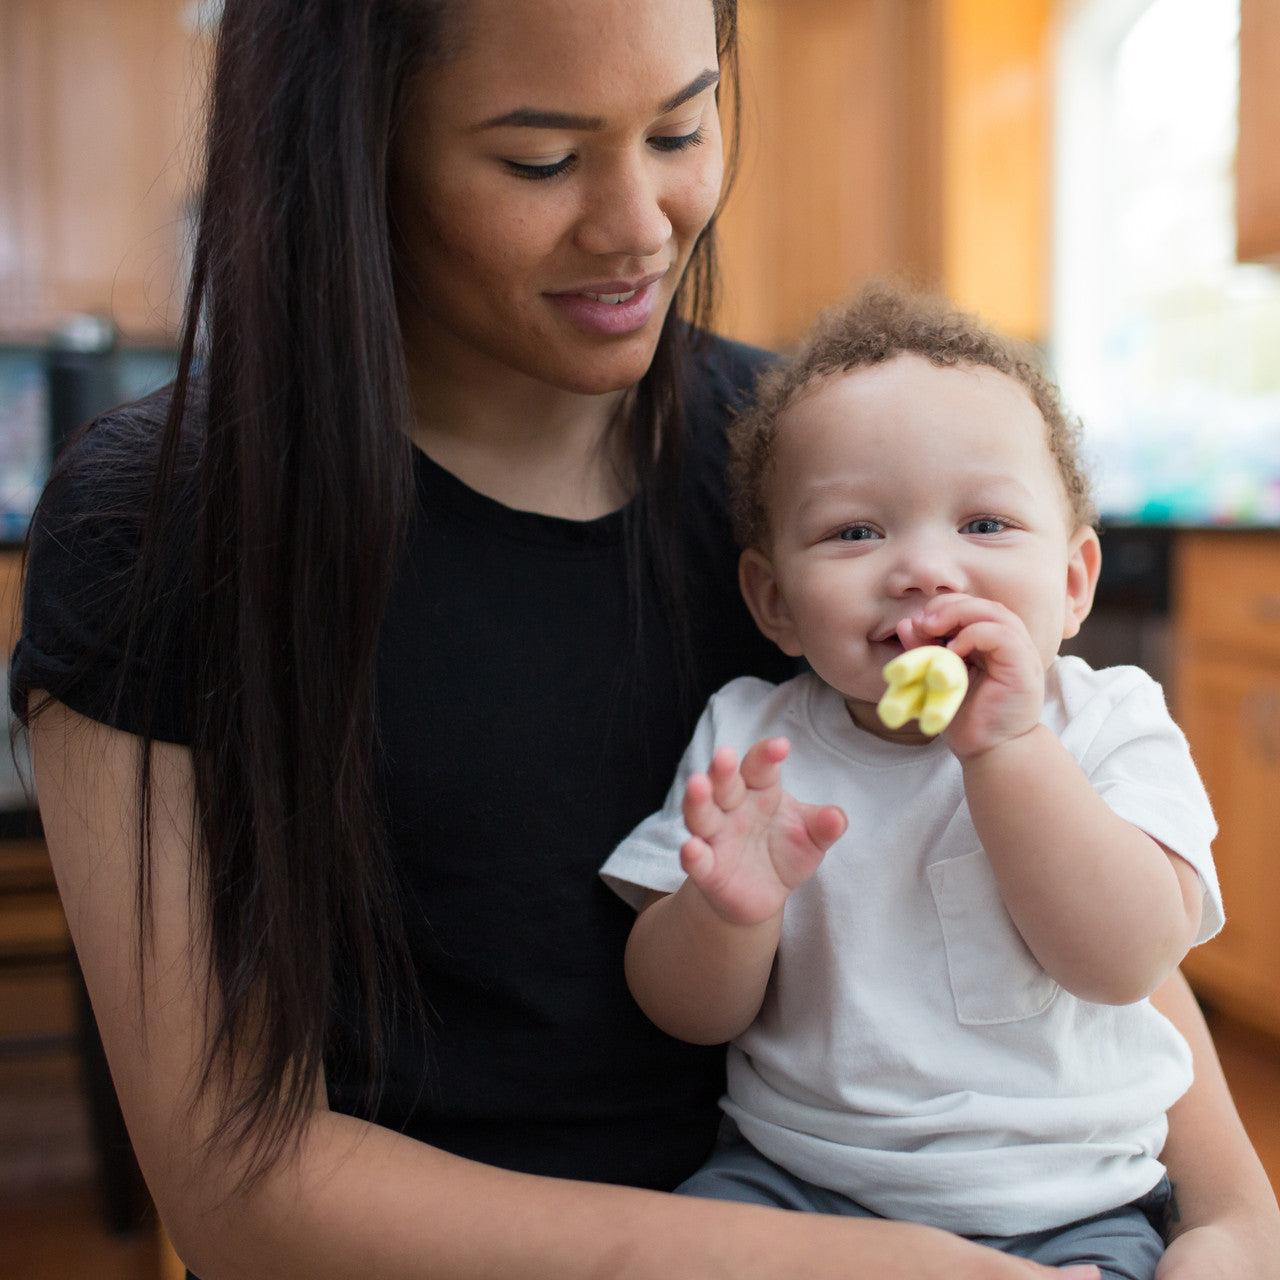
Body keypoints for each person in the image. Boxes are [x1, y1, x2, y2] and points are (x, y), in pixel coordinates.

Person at [11, 3, 1277, 1278]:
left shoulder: (810, 477)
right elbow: (243, 1186)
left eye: (679, 127)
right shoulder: (163, 522)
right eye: (540, 160)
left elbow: (1019, 911)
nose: (638, 225)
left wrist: (1229, 1212)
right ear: (351, 150)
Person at [601, 286, 1225, 1279]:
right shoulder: (752, 735)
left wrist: (1007, 747)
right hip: (794, 1185)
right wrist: (725, 915)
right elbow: (684, 1010)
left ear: (1072, 582)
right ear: (773, 602)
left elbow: (1124, 960)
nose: (923, 569)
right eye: (854, 532)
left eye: (983, 522)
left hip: (1066, 1200)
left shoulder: (1111, 721)